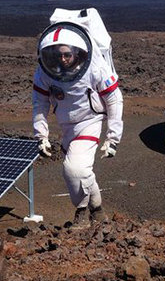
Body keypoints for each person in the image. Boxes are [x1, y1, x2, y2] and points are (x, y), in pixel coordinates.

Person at [32, 22, 123, 228]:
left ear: (78, 53)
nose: (63, 60)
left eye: (68, 55)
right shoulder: (45, 71)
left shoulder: (95, 68)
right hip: (66, 126)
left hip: (89, 121)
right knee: (83, 172)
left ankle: (81, 212)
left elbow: (114, 99)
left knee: (74, 169)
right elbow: (40, 102)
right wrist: (41, 135)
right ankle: (98, 211)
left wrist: (113, 138)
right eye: (58, 55)